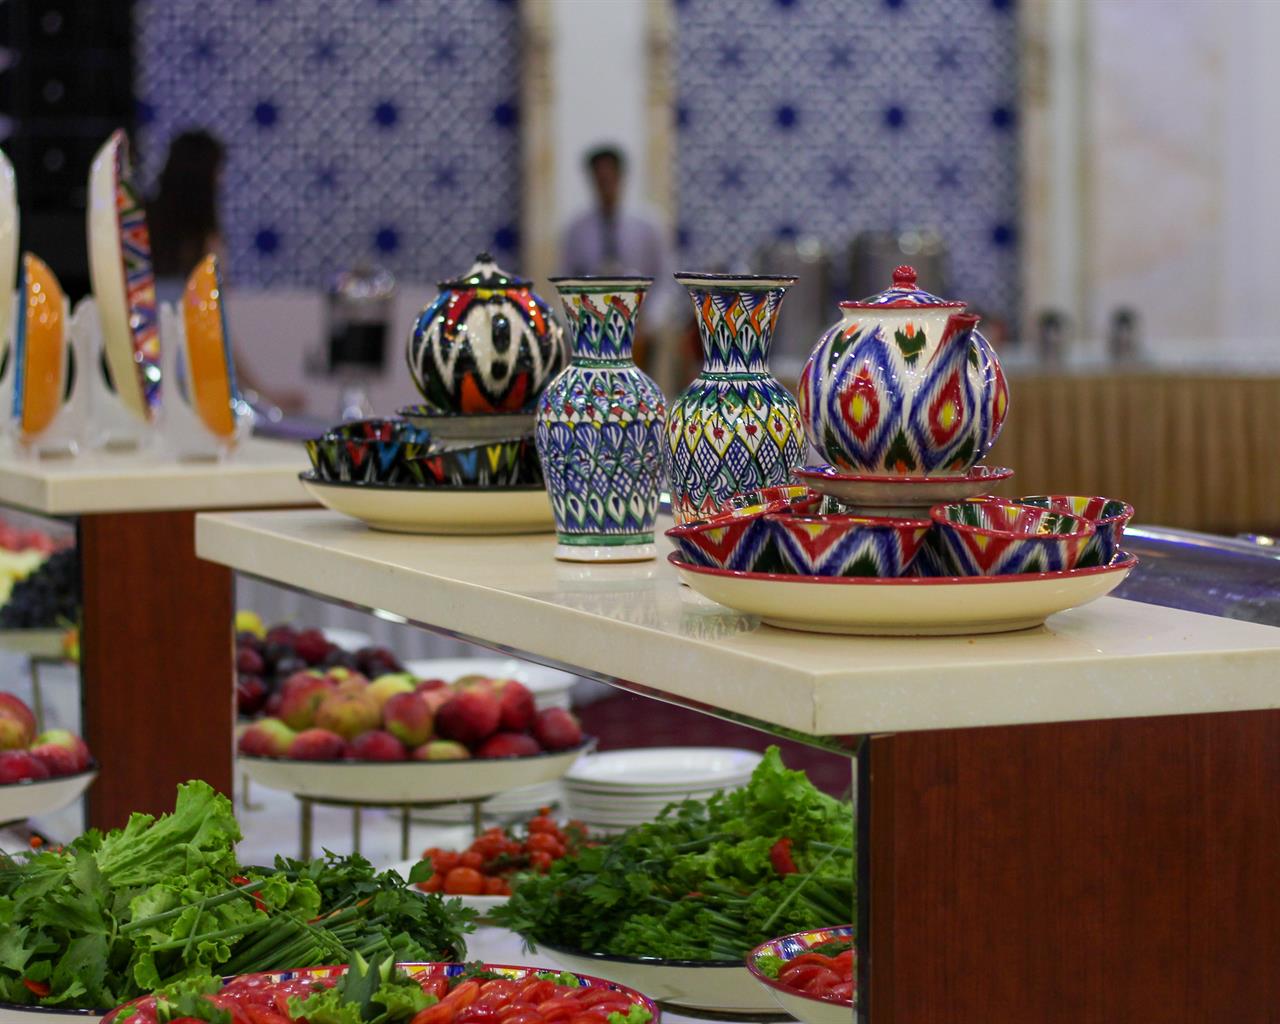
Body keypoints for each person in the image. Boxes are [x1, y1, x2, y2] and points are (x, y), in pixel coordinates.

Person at [146, 130, 303, 413]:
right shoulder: (205, 244)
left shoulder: (143, 232)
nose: (221, 180)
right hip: (194, 385)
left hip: (143, 381)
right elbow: (215, 331)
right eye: (218, 172)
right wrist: (261, 395)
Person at [561, 145, 679, 381]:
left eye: (610, 177)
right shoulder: (577, 230)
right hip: (593, 331)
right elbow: (565, 280)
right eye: (599, 179)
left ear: (621, 177)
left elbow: (666, 279)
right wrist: (576, 323)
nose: (605, 185)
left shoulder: (648, 226)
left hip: (641, 332)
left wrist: (650, 322)